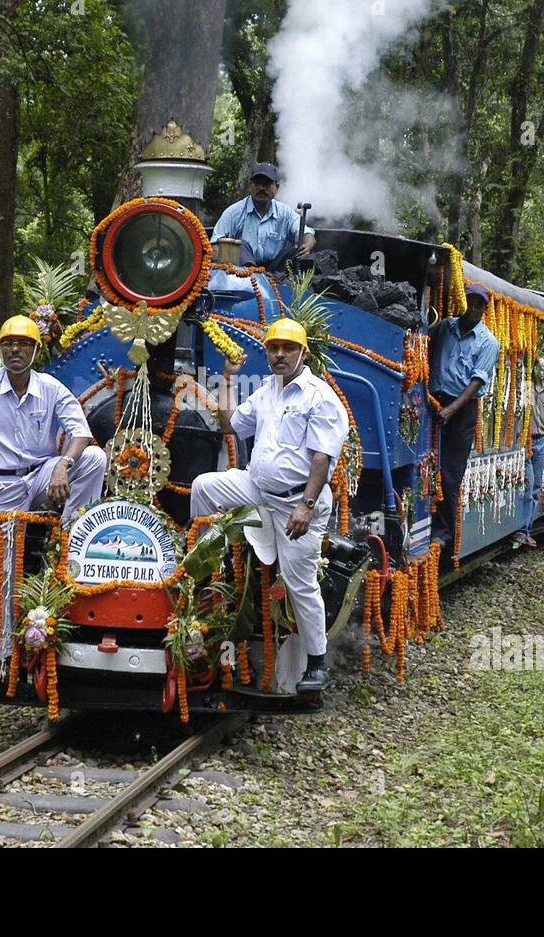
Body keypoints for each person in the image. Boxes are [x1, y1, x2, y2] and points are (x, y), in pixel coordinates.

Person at [189, 318, 349, 692]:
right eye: (273, 348)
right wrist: (228, 378)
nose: (279, 354)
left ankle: (317, 663)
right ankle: (202, 573)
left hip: (297, 500)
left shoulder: (318, 396)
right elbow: (230, 424)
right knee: (204, 486)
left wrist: (306, 506)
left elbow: (322, 458)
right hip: (258, 488)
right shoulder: (265, 390)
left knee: (299, 582)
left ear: (302, 353)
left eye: (288, 348)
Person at [0, 315, 106, 525]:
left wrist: (63, 464)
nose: (15, 349)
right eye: (8, 344)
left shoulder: (51, 387)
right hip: (1, 484)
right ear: (0, 350)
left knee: (94, 457)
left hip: (42, 475)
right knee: (4, 557)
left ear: (37, 350)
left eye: (24, 344)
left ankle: (73, 533)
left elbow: (80, 433)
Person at [428, 284, 501, 553]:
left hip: (462, 410)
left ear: (485, 309)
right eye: (470, 302)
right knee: (425, 468)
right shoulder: (444, 327)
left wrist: (451, 410)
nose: (473, 307)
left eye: (479, 304)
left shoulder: (488, 342)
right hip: (433, 401)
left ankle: (443, 535)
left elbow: (475, 383)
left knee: (449, 475)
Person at [211, 163, 316, 269]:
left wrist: (307, 245)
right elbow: (215, 244)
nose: (261, 188)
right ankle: (254, 277)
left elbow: (307, 234)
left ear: (277, 187)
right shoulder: (233, 213)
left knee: (295, 252)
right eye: (257, 183)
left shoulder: (285, 213)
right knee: (239, 246)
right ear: (250, 186)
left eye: (267, 184)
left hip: (276, 271)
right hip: (242, 274)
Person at [514, 356, 544, 548]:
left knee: (536, 486)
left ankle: (526, 530)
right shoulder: (525, 389)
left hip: (541, 443)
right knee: (528, 483)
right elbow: (518, 415)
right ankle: (520, 529)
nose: (543, 372)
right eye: (540, 368)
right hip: (526, 442)